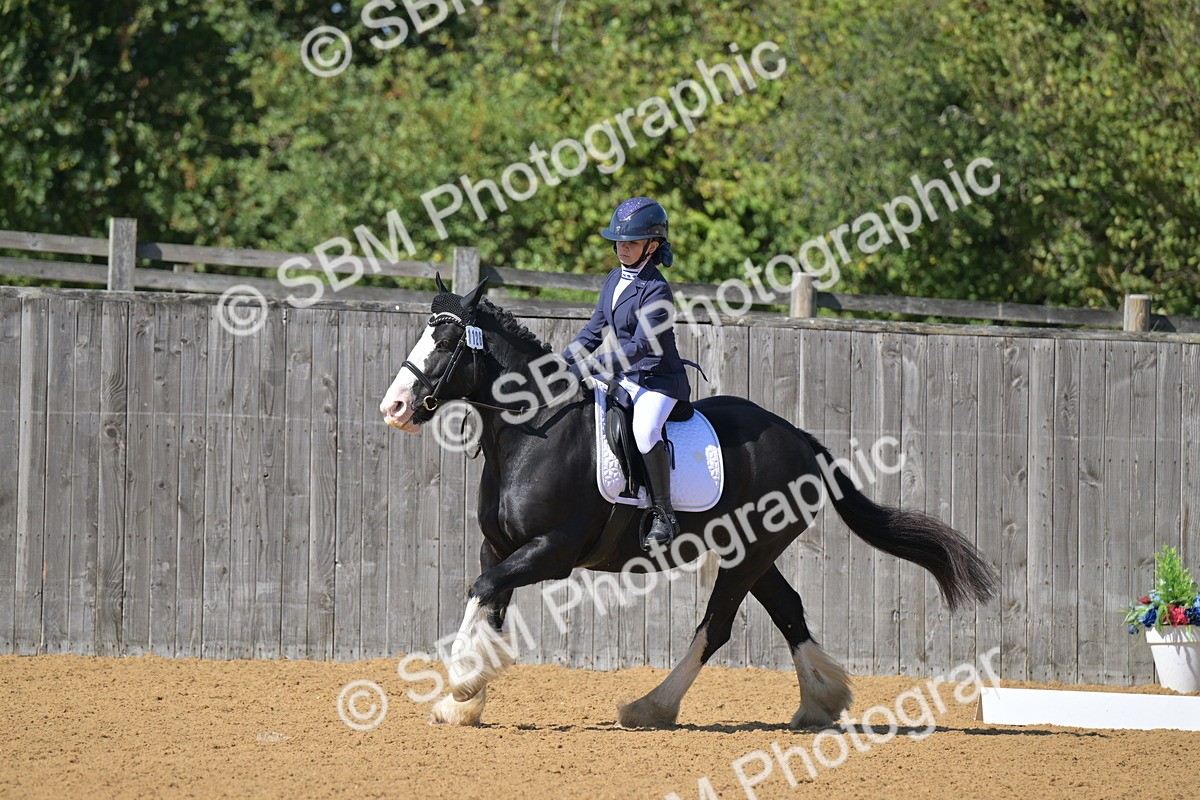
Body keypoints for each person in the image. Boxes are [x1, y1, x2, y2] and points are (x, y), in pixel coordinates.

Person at [562, 197, 691, 549]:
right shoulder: (613, 279)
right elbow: (593, 331)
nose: (622, 248)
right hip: (625, 376)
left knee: (645, 430)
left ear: (652, 245)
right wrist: (561, 364)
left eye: (632, 242)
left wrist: (596, 365)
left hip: (656, 382)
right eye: (618, 241)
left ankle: (664, 516)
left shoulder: (657, 290)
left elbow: (640, 347)